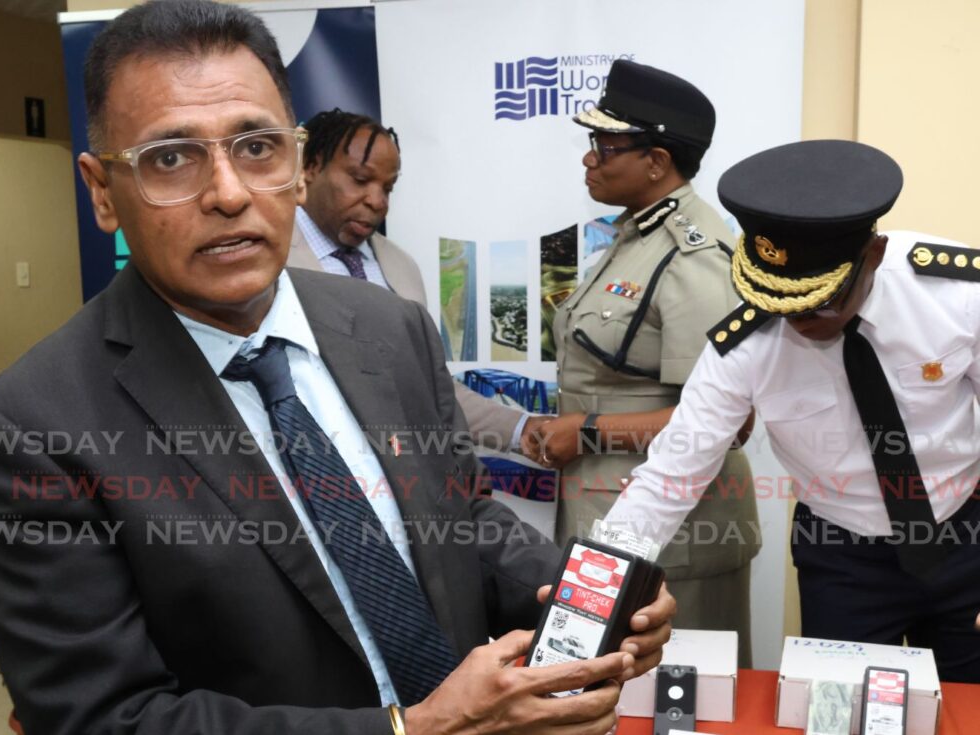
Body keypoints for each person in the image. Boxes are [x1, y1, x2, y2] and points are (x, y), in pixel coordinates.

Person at [0, 2, 676, 733]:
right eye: (170, 158)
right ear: (103, 191)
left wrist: (586, 595)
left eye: (258, 147)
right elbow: (104, 718)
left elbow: (462, 516)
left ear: (298, 167)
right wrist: (418, 728)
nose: (229, 193)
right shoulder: (33, 427)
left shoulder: (389, 326)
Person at [598, 138, 980, 683]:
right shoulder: (747, 344)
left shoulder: (954, 293)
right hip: (842, 555)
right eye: (779, 301)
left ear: (872, 254)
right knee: (840, 712)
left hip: (964, 539)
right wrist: (598, 587)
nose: (798, 321)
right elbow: (670, 476)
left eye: (819, 301)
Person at [522, 60, 759, 665]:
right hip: (610, 516)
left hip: (678, 540)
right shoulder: (633, 237)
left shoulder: (695, 256)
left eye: (605, 145)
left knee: (681, 705)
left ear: (657, 162)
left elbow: (728, 421)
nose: (589, 158)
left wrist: (592, 432)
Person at [288, 108, 542, 453]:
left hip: (406, 478)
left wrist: (523, 430)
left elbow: (429, 387)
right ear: (311, 168)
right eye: (361, 180)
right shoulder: (267, 259)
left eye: (388, 188)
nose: (377, 202)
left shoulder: (400, 266)